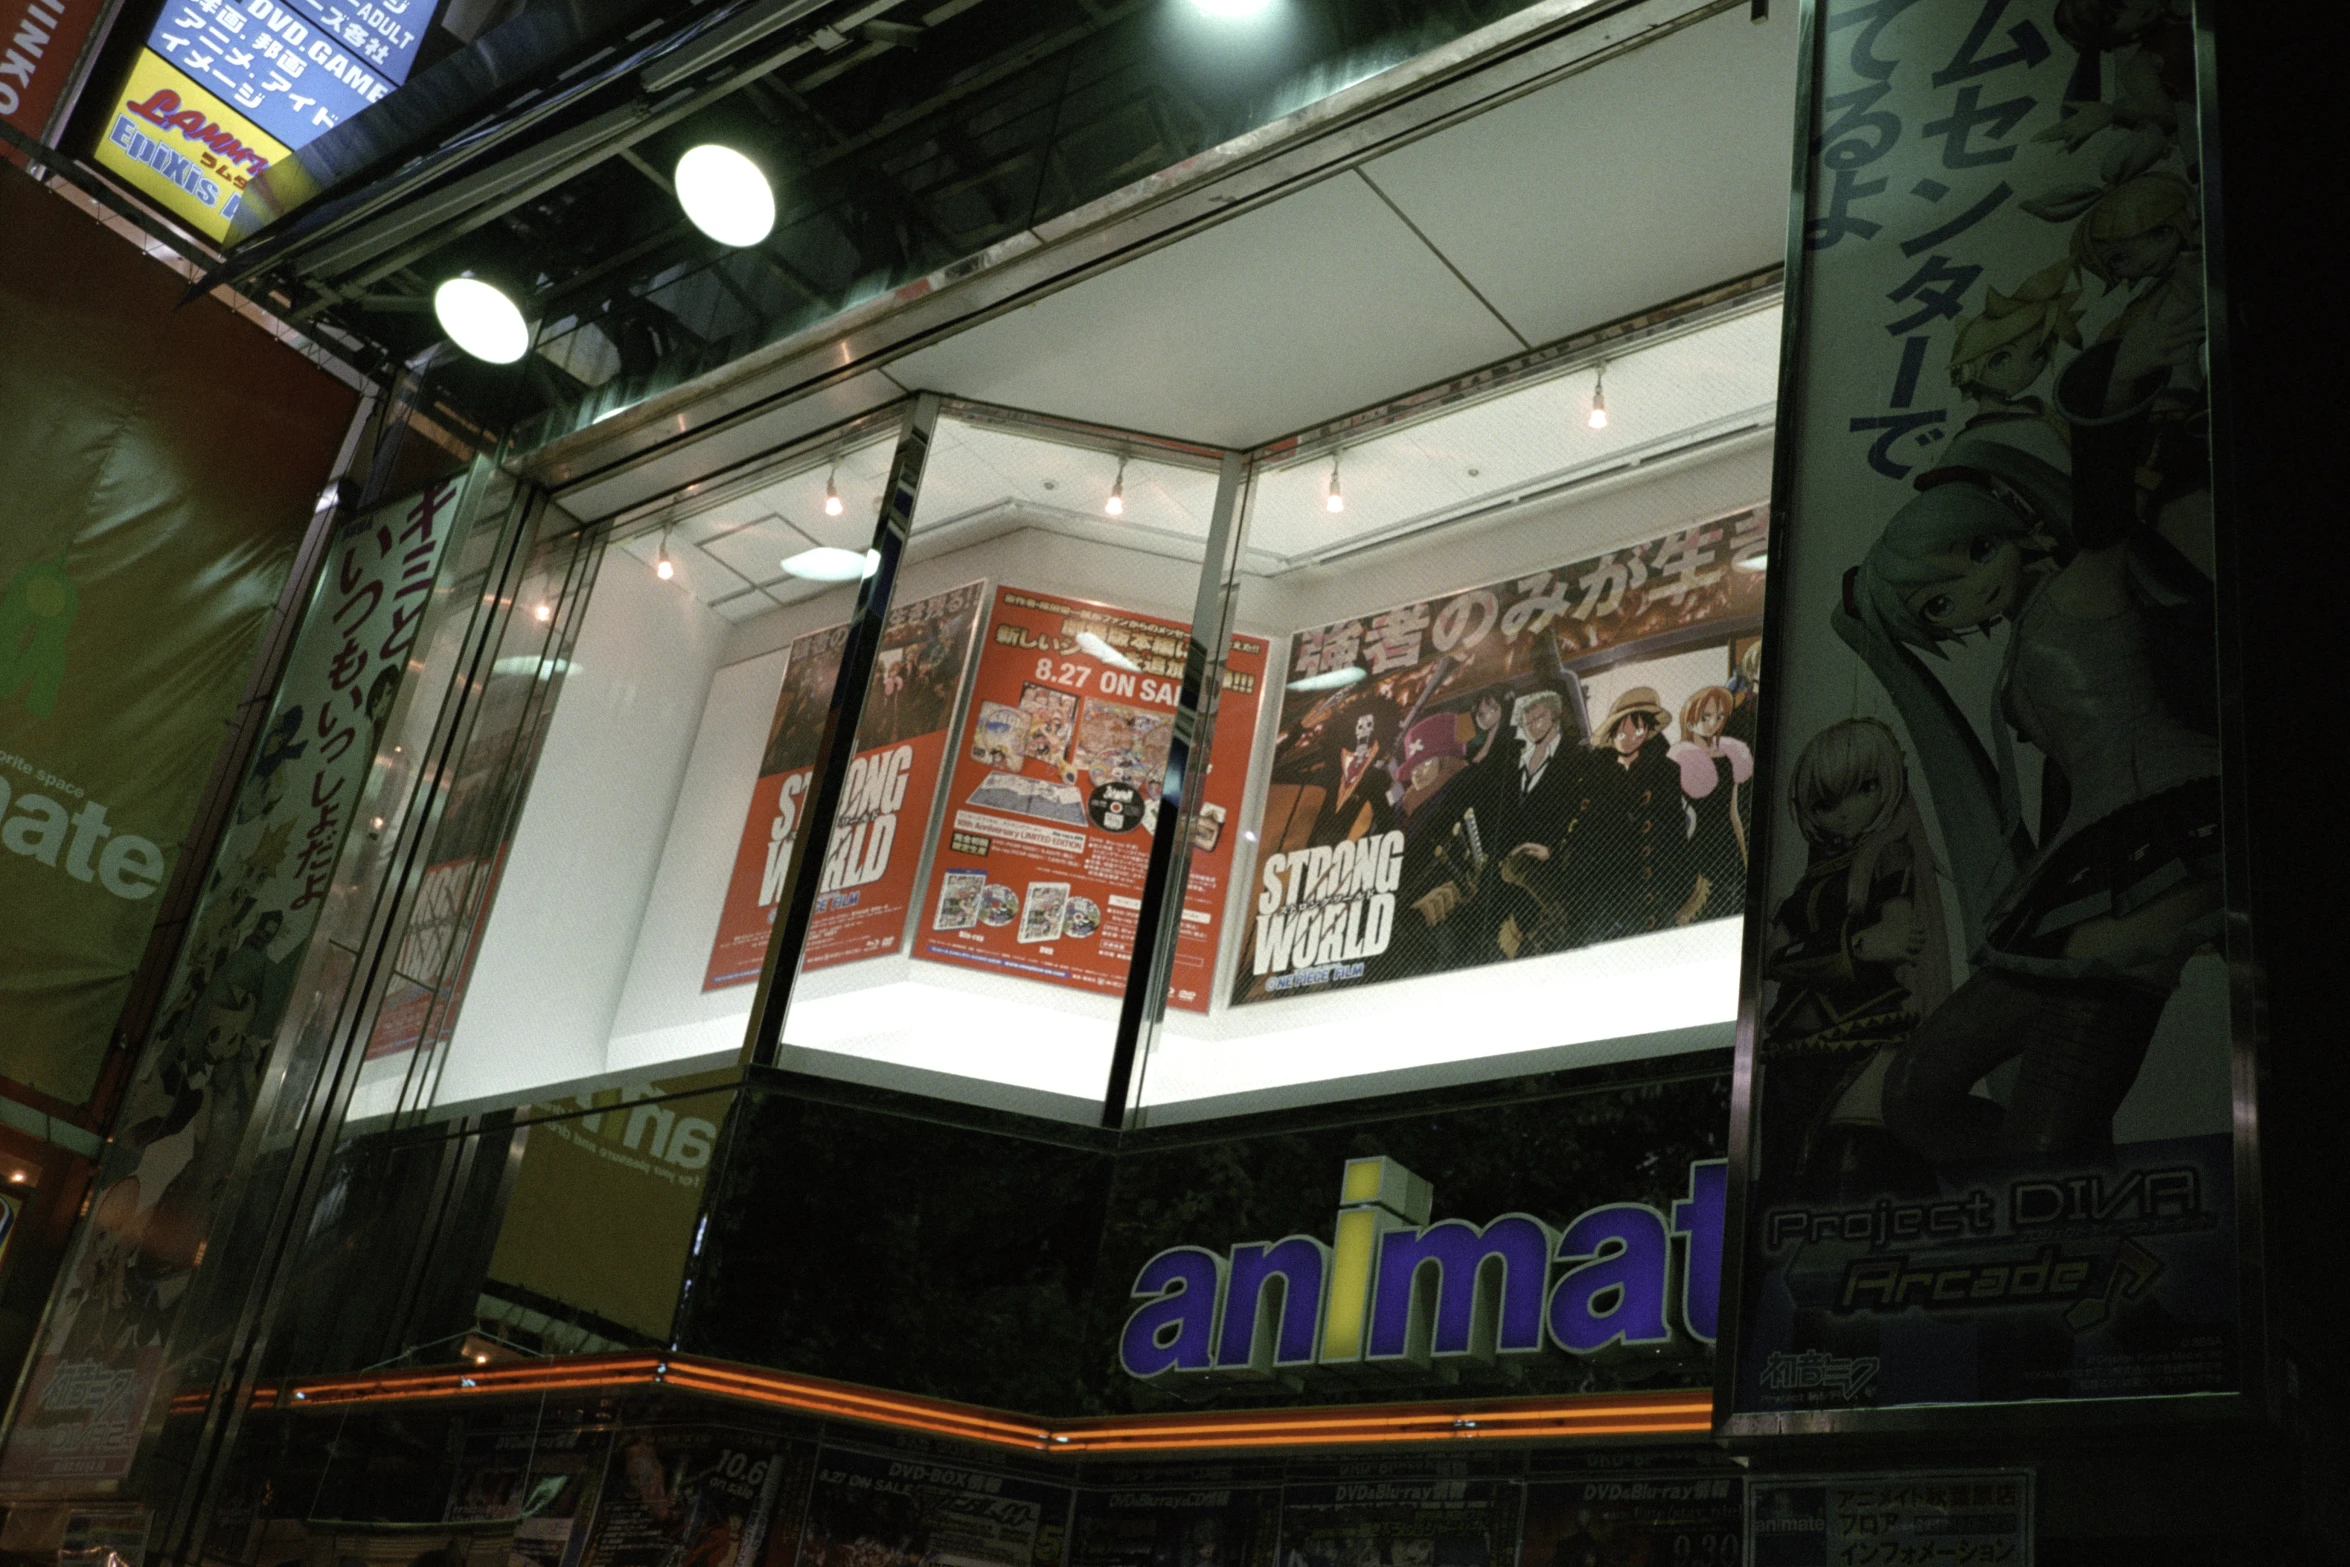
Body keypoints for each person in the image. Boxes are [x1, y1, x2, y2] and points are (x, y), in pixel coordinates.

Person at [1841, 377, 2222, 1161]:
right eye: (1937, 607)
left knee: (2042, 1136)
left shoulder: (2087, 581)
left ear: (2005, 526)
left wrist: (2103, 405)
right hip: (2091, 862)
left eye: (1977, 552)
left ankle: (2074, 1221)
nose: (1969, 589)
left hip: (2168, 836)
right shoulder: (2028, 634)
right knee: (1916, 1094)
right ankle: (2060, 1208)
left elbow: (2106, 518)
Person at [1761, 719, 1947, 1201]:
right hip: (1792, 1048)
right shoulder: (1811, 877)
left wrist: (1802, 958)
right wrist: (1852, 948)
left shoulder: (1891, 856)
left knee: (1857, 1165)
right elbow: (1769, 957)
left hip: (1868, 1035)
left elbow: (1898, 938)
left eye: (1863, 789)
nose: (1844, 813)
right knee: (1786, 1183)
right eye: (1826, 802)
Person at [1519, 686, 1702, 949]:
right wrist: (1553, 851)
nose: (1628, 737)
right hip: (1601, 896)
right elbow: (1582, 832)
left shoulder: (1664, 773)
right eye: (1621, 731)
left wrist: (1673, 891)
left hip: (1647, 894)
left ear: (1648, 731)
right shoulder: (1596, 776)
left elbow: (1673, 838)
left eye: (1637, 730)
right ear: (1612, 733)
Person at [1668, 684, 1752, 921]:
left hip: (1728, 847)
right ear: (1690, 718)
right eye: (1705, 717)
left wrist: (1746, 858)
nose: (1712, 723)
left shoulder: (1728, 757)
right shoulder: (1678, 760)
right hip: (1697, 851)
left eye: (1718, 716)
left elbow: (1734, 813)